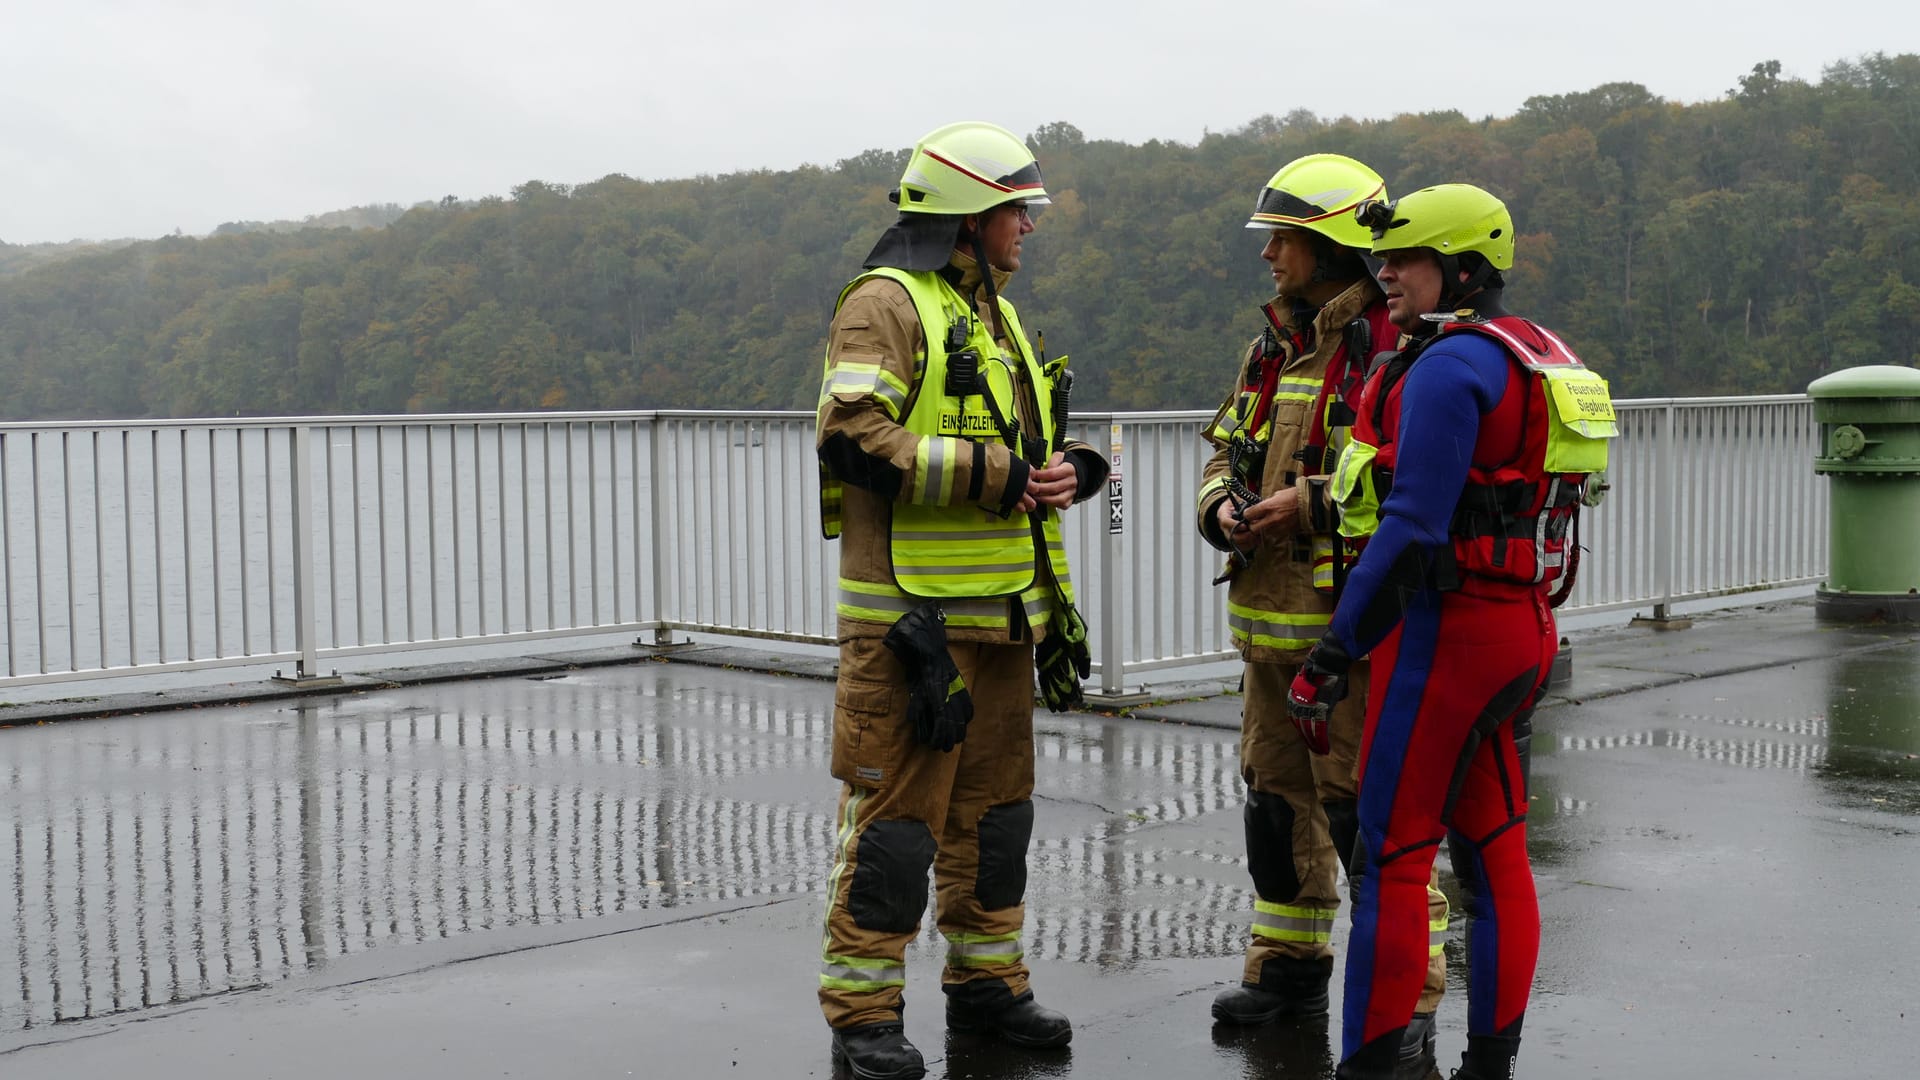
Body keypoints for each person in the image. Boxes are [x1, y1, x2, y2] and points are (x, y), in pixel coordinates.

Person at [1292, 184, 1615, 1080]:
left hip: (1446, 640)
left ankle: (1366, 1066)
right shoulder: (1537, 353)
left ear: (1461, 268)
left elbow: (1411, 528)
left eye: (1406, 259)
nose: (1384, 273)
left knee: (1390, 859)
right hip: (1524, 631)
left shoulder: (1443, 366)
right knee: (1498, 849)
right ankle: (1491, 1066)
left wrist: (1332, 650)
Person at [812, 120, 1110, 1080]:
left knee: (994, 817)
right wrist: (996, 474)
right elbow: (852, 436)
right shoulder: (886, 303)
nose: (1028, 226)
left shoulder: (991, 311)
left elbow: (1008, 453)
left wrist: (1061, 474)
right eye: (1016, 210)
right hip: (911, 627)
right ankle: (864, 1014)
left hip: (1000, 619)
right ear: (968, 215)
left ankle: (986, 985)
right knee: (898, 824)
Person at [1196, 154, 1448, 1077]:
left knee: (1365, 818)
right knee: (1275, 804)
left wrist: (1308, 507)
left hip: (1354, 638)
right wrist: (1220, 504)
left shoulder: (1394, 350)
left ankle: (1410, 1000)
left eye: (1284, 237)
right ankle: (1289, 968)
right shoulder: (1271, 347)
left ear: (1333, 243)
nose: (1268, 253)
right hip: (1268, 629)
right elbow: (1224, 443)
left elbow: (1412, 485)